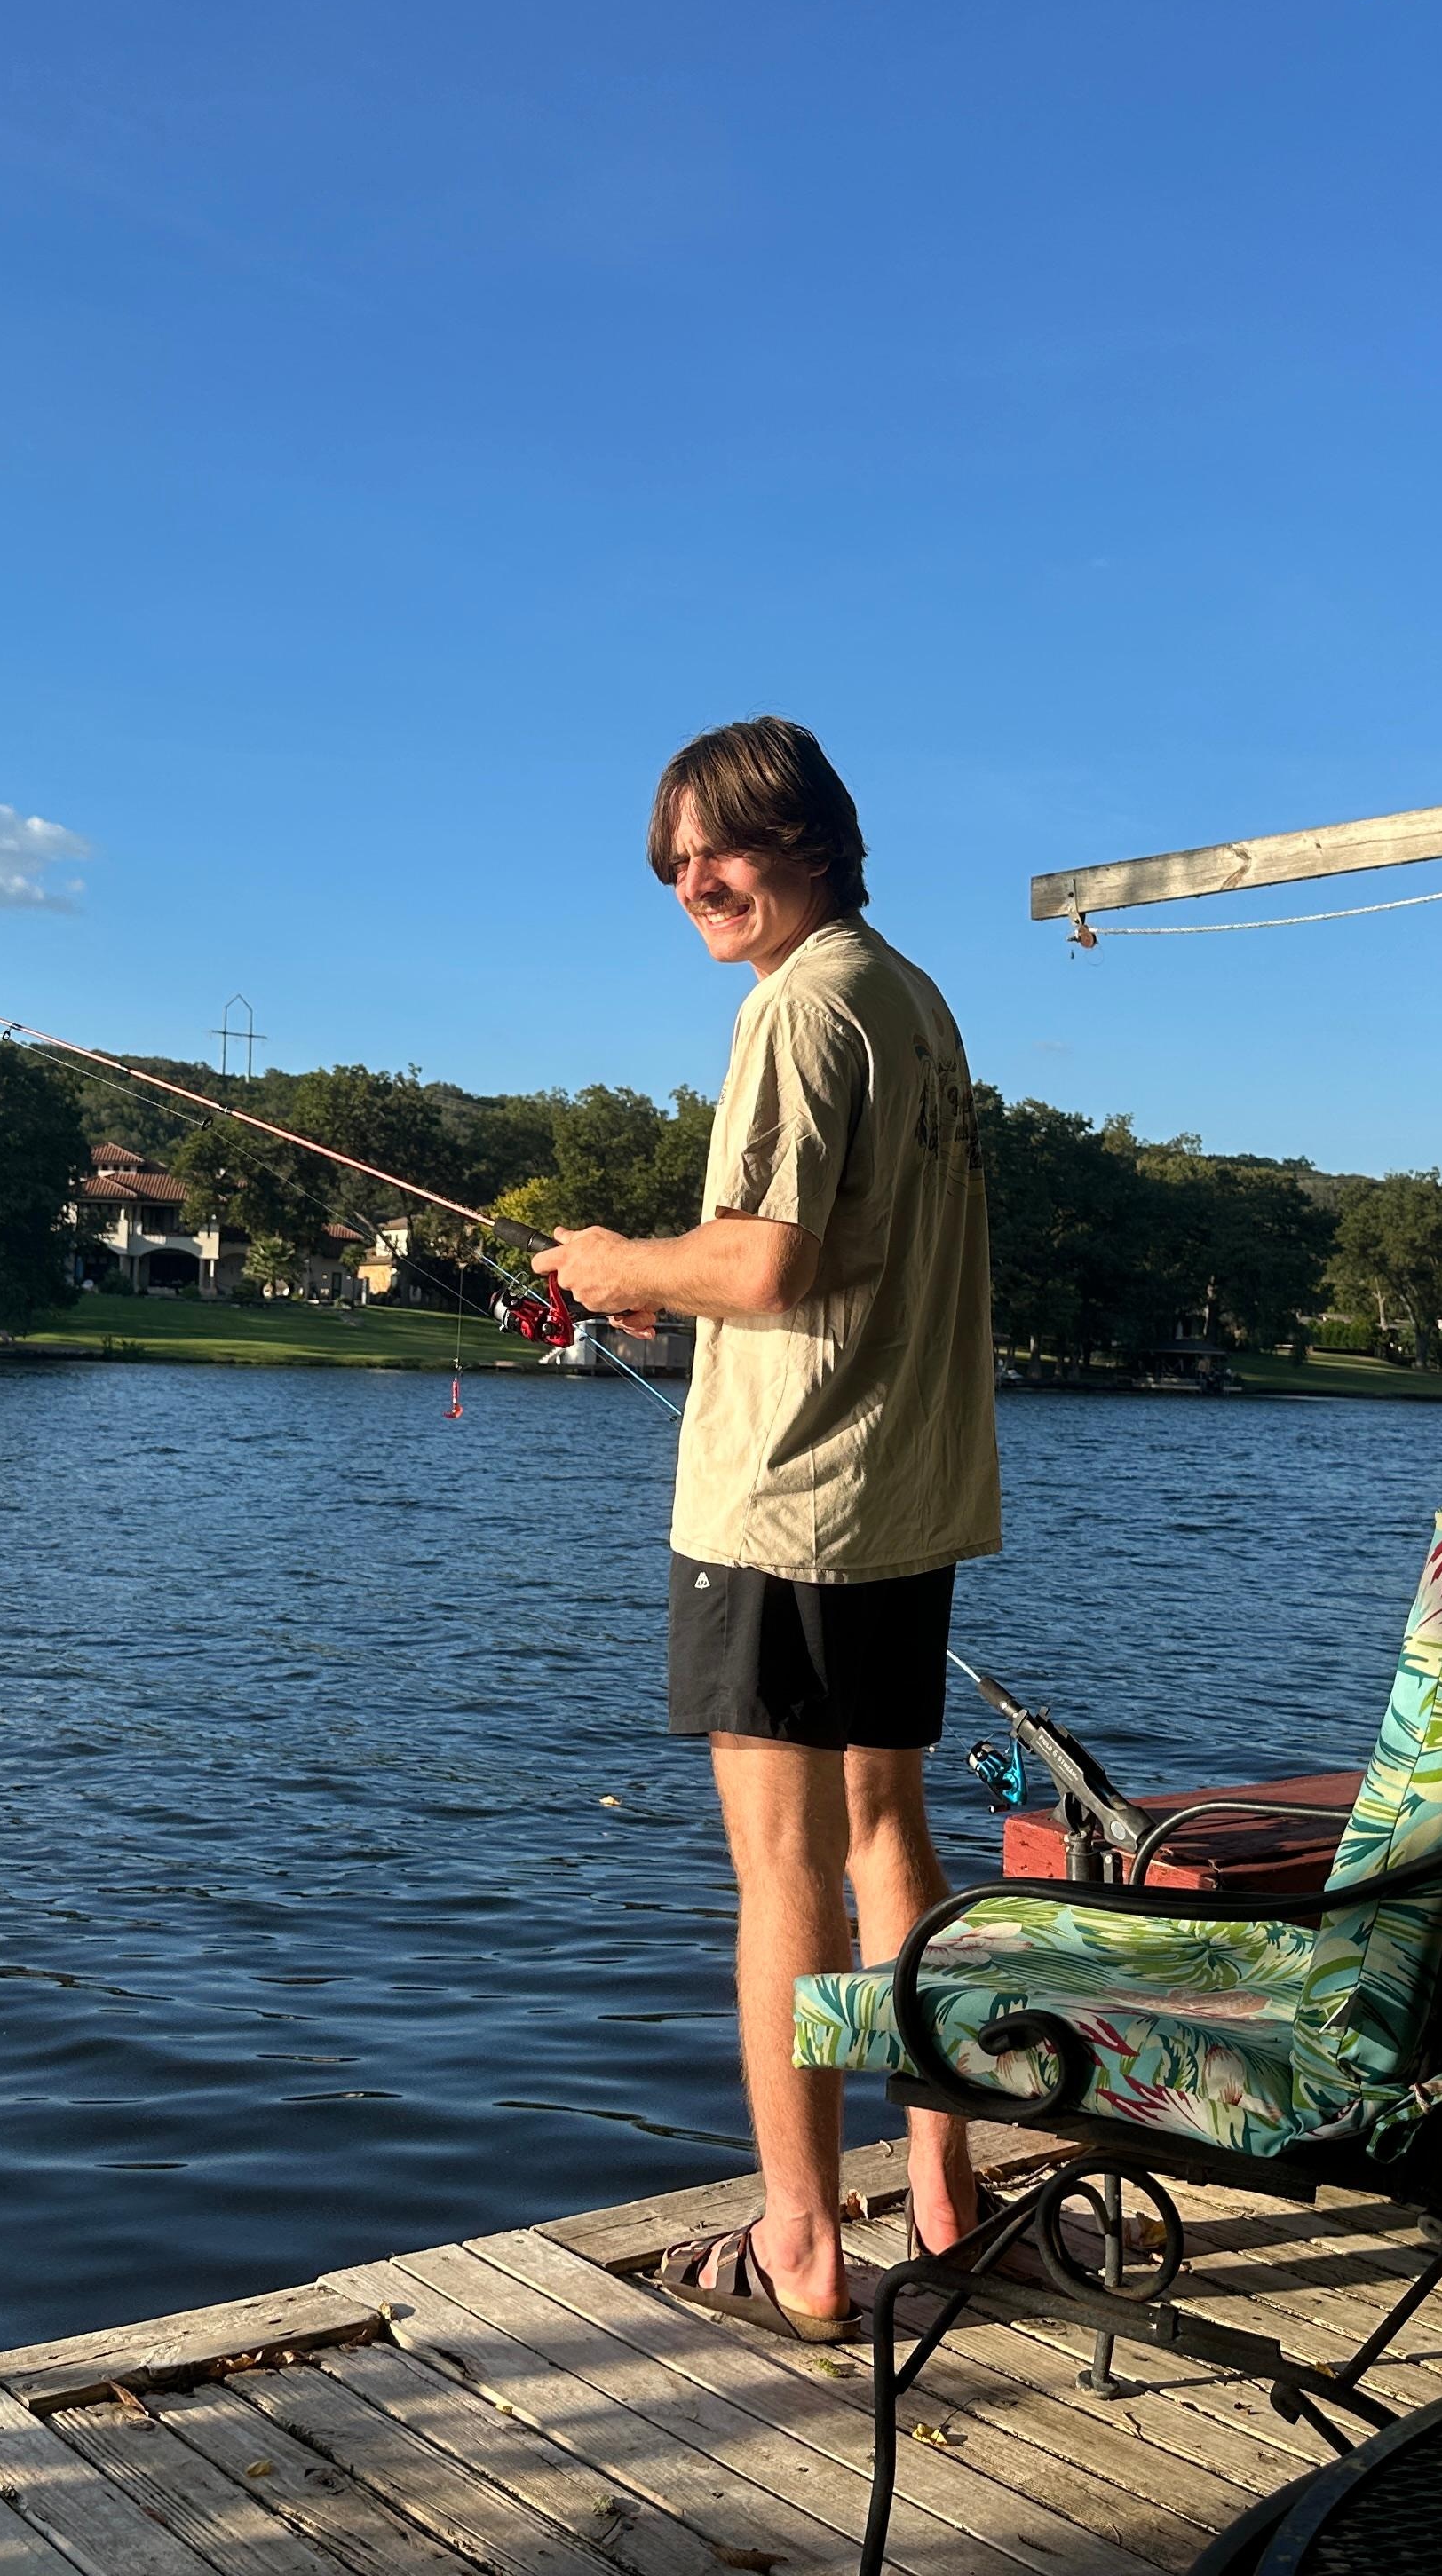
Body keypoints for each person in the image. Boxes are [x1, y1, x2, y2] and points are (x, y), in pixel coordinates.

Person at [534, 715, 1001, 2342]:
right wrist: (667, 1282)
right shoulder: (911, 998)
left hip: (789, 1498)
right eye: (672, 861)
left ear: (809, 836)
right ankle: (945, 2193)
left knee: (783, 1867)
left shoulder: (801, 1006)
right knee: (890, 1837)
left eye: (719, 846)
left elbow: (765, 1262)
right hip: (901, 1490)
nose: (694, 881)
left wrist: (618, 1264)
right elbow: (834, 1263)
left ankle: (802, 2244)